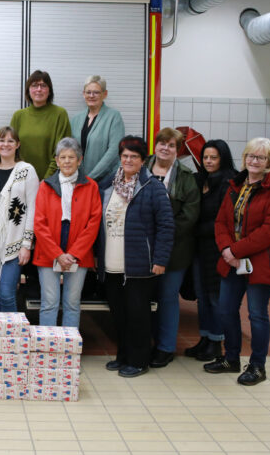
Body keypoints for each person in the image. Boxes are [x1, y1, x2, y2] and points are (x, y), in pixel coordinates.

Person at [204, 138, 270, 386]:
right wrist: (226, 250)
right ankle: (231, 358)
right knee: (226, 310)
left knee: (257, 315)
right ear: (244, 158)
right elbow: (220, 222)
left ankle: (257, 366)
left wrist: (236, 250)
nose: (254, 161)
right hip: (232, 261)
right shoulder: (235, 186)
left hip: (260, 262)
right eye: (251, 156)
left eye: (260, 157)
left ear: (269, 162)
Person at [96, 136, 174, 378]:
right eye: (125, 156)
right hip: (111, 264)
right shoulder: (108, 186)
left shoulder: (153, 188)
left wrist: (160, 260)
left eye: (134, 157)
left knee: (138, 315)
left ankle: (139, 361)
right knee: (119, 315)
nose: (128, 160)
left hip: (139, 266)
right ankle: (123, 356)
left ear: (142, 161)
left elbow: (166, 226)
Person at [32, 137, 102, 328]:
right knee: (49, 303)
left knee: (72, 303)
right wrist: (57, 254)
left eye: (72, 157)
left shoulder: (91, 186)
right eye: (63, 157)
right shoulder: (45, 186)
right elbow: (39, 223)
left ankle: (68, 351)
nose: (67, 161)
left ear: (80, 160)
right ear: (57, 159)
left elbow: (93, 223)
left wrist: (73, 254)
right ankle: (48, 350)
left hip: (78, 252)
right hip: (48, 250)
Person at [146, 127, 200, 368]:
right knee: (144, 299)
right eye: (161, 143)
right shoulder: (140, 167)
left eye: (171, 146)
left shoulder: (187, 177)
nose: (165, 148)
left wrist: (162, 236)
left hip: (174, 251)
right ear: (155, 145)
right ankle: (144, 342)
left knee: (167, 299)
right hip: (141, 248)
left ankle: (165, 347)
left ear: (178, 152)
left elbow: (189, 216)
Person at [0, 127, 39, 312]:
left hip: (14, 242)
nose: (6, 144)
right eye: (1, 140)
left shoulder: (26, 170)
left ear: (17, 144)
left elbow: (33, 208)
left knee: (6, 293)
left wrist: (27, 244)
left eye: (11, 141)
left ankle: (11, 337)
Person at [185, 139, 237, 362]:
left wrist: (194, 226)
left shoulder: (230, 183)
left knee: (216, 297)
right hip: (199, 248)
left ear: (222, 158)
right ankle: (205, 338)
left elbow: (223, 220)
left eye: (213, 157)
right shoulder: (200, 180)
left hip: (218, 249)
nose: (208, 161)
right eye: (205, 157)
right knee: (202, 297)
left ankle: (217, 342)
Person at [10, 70, 72, 180]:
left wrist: (47, 180)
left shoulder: (60, 114)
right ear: (28, 90)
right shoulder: (18, 116)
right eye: (34, 85)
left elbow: (63, 151)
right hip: (21, 179)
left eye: (43, 85)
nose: (39, 89)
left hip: (51, 180)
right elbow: (11, 150)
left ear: (49, 90)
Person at [69, 75, 126, 181]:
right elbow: (72, 149)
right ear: (83, 94)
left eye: (96, 92)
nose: (91, 95)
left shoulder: (114, 117)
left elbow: (114, 150)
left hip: (106, 180)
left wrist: (91, 177)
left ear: (105, 94)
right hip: (79, 179)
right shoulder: (76, 119)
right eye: (88, 92)